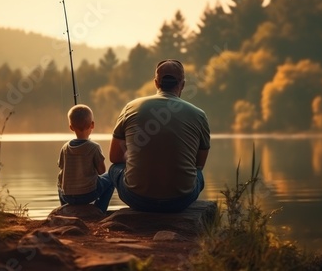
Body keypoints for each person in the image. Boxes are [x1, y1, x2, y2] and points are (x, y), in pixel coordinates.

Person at [108, 59, 210, 213]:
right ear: (182, 84)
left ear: (156, 83)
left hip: (137, 199)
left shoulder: (131, 107)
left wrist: (137, 157)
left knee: (114, 168)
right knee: (199, 174)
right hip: (180, 201)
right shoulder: (199, 115)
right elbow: (199, 164)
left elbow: (115, 158)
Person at [57, 104, 113, 213]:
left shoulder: (65, 148)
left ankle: (65, 208)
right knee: (111, 177)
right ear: (92, 125)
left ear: (71, 127)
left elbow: (61, 167)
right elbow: (102, 171)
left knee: (60, 178)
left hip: (67, 197)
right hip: (89, 194)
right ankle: (99, 210)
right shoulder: (94, 147)